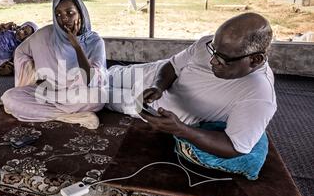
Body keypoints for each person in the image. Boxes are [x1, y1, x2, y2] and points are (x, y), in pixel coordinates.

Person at [107, 13, 276, 179]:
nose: (212, 61)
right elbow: (172, 66)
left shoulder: (260, 95)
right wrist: (158, 86)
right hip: (154, 76)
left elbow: (234, 147)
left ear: (255, 59)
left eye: (223, 59)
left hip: (157, 108)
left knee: (96, 95)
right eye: (213, 51)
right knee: (101, 75)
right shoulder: (211, 43)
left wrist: (181, 129)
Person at [0, 0, 107, 129]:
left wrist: (76, 46)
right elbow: (21, 51)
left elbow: (90, 80)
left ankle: (45, 112)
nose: (64, 19)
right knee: (9, 96)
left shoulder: (95, 42)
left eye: (70, 13)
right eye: (58, 14)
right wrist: (33, 76)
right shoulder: (45, 34)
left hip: (77, 94)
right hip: (50, 93)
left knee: (99, 96)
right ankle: (66, 116)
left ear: (81, 13)